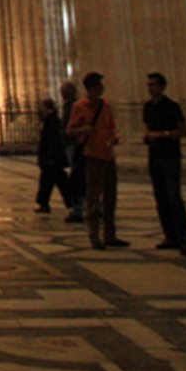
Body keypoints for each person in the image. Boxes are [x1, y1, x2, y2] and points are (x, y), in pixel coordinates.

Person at [66, 72, 128, 249]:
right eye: (100, 85)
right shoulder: (80, 106)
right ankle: (94, 235)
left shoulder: (105, 105)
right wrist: (85, 129)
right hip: (92, 154)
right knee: (93, 196)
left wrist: (116, 136)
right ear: (92, 87)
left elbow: (112, 126)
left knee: (111, 196)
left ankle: (110, 234)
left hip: (108, 154)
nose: (103, 88)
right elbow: (70, 130)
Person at [143, 71, 186, 256]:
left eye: (153, 85)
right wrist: (148, 137)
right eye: (148, 85)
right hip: (154, 156)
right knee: (160, 198)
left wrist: (163, 135)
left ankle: (184, 240)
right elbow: (147, 129)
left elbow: (184, 131)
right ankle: (169, 237)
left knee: (174, 197)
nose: (150, 88)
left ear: (162, 86)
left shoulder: (172, 107)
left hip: (171, 156)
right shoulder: (147, 107)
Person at [35, 97, 77, 214]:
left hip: (53, 158)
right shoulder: (50, 119)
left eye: (41, 107)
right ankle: (44, 203)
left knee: (60, 182)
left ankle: (72, 203)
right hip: (51, 158)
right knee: (47, 181)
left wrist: (49, 156)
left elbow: (53, 140)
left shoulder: (52, 120)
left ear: (46, 107)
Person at [60, 79, 86, 224]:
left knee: (78, 177)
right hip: (71, 144)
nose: (62, 94)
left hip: (74, 145)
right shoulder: (69, 106)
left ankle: (80, 208)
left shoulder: (73, 107)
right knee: (78, 177)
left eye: (63, 91)